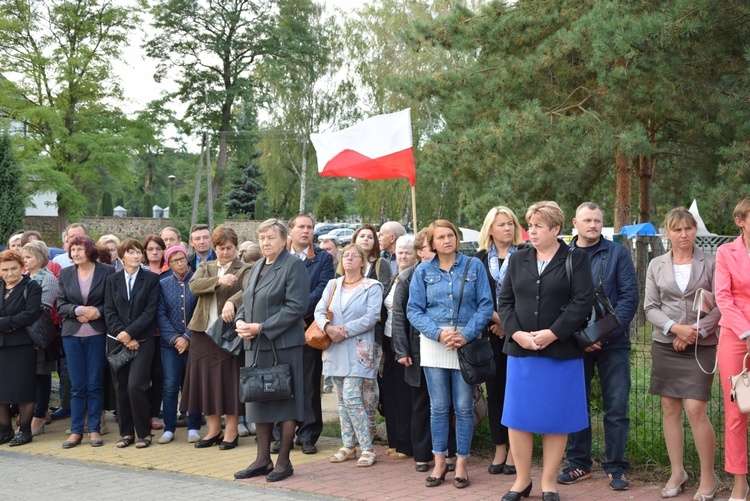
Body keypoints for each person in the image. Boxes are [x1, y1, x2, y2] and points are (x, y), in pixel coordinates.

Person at [498, 201, 594, 501]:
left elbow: (582, 302)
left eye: (538, 225)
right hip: (522, 352)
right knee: (518, 417)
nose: (531, 230)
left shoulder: (575, 258)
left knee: (557, 418)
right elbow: (505, 301)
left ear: (555, 228)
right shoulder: (518, 259)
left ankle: (549, 483)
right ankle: (522, 481)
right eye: (530, 224)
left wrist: (553, 333)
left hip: (560, 353)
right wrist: (517, 334)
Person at [558, 202, 639, 491]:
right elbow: (559, 301)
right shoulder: (564, 255)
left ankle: (616, 467)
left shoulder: (617, 253)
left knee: (616, 406)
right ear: (575, 223)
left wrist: (602, 336)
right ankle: (579, 463)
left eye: (597, 220)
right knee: (575, 405)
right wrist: (580, 336)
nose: (593, 225)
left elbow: (629, 298)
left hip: (613, 344)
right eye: (587, 220)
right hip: (575, 345)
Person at [407, 220, 494, 489]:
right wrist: (439, 334)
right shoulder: (422, 271)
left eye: (451, 235)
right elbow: (414, 310)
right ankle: (440, 461)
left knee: (464, 406)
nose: (447, 240)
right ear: (432, 243)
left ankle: (462, 464)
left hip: (465, 342)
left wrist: (465, 334)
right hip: (436, 344)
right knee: (439, 407)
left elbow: (485, 305)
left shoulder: (473, 266)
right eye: (441, 237)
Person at [645, 207, 721, 500]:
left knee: (695, 409)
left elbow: (721, 304)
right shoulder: (655, 265)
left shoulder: (712, 262)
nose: (683, 234)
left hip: (701, 344)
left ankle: (708, 476)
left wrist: (695, 333)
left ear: (695, 231)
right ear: (668, 233)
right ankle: (678, 472)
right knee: (669, 407)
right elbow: (650, 307)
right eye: (677, 229)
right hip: (666, 343)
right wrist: (675, 329)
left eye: (688, 228)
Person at [233, 219, 310, 482]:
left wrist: (262, 327)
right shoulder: (256, 266)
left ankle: (284, 462)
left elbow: (297, 306)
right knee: (260, 401)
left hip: (284, 345)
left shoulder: (293, 265)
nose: (265, 243)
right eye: (262, 238)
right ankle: (262, 459)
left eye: (271, 238)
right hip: (255, 345)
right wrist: (240, 321)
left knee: (286, 403)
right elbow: (247, 299)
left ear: (284, 239)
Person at [269, 215, 333, 455]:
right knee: (280, 382)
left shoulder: (323, 258)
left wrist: (296, 311)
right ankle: (279, 436)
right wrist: (285, 316)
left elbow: (322, 289)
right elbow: (273, 288)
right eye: (301, 227)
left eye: (310, 227)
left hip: (307, 329)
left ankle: (307, 435)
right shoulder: (278, 256)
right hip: (280, 330)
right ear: (291, 231)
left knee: (308, 384)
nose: (306, 231)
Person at [393, 229, 456, 472]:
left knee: (447, 402)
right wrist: (401, 349)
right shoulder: (408, 277)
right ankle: (422, 454)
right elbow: (399, 315)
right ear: (421, 252)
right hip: (418, 350)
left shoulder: (450, 273)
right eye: (432, 246)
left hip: (447, 346)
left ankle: (448, 452)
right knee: (421, 404)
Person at [182, 226, 250, 450]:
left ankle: (231, 431)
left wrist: (232, 301)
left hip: (229, 334)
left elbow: (250, 291)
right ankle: (213, 429)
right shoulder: (205, 266)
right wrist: (218, 282)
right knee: (206, 382)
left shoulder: (245, 268)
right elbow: (193, 286)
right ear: (215, 248)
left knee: (229, 382)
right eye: (220, 248)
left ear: (236, 248)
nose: (225, 253)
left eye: (229, 248)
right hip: (202, 332)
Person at [315, 243, 383, 468]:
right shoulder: (333, 284)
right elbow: (319, 310)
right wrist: (327, 327)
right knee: (343, 401)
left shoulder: (371, 286)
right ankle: (348, 445)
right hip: (334, 348)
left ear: (363, 262)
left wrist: (342, 330)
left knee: (354, 399)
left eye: (355, 256)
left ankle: (367, 448)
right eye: (346, 256)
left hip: (357, 348)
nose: (349, 259)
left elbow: (372, 317)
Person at [475, 206, 525, 476]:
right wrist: (497, 321)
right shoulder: (480, 259)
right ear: (490, 229)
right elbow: (476, 297)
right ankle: (500, 448)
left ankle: (518, 452)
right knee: (495, 393)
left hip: (518, 336)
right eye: (501, 224)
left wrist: (510, 325)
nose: (507, 228)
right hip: (491, 335)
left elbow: (531, 296)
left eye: (510, 224)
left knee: (516, 394)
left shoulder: (526, 255)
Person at [57, 235, 115, 448]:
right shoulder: (65, 273)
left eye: (80, 249)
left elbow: (111, 303)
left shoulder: (106, 272)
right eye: (72, 250)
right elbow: (61, 305)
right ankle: (75, 430)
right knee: (77, 385)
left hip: (97, 334)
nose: (76, 253)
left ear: (90, 250)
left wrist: (95, 312)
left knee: (94, 383)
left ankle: (94, 430)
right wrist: (79, 310)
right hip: (72, 335)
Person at [104, 238, 160, 449]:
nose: (136, 256)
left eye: (139, 252)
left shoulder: (151, 279)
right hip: (118, 342)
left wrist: (131, 333)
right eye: (131, 252)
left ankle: (144, 433)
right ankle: (126, 433)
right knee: (120, 388)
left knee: (136, 386)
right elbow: (108, 310)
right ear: (122, 256)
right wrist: (123, 335)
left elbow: (149, 312)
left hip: (143, 341)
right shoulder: (112, 280)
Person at [716, 198, 750, 501]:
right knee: (737, 411)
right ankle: (740, 483)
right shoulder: (726, 252)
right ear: (740, 220)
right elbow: (723, 297)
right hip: (735, 339)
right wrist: (747, 332)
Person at [155, 246, 201, 444]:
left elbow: (202, 310)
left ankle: (194, 426)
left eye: (182, 259)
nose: (180, 263)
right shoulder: (163, 284)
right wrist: (175, 338)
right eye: (175, 260)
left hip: (195, 341)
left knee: (192, 384)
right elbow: (160, 314)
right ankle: (169, 427)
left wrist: (188, 336)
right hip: (170, 344)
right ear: (169, 264)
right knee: (170, 385)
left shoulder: (198, 280)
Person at [351, 224, 391, 435]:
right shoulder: (345, 264)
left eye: (370, 237)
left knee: (369, 380)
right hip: (346, 335)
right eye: (361, 236)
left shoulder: (380, 265)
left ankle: (369, 426)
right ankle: (353, 428)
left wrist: (357, 305)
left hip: (372, 334)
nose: (366, 239)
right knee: (351, 383)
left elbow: (381, 295)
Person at [0, 250, 43, 446]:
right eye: (5, 270)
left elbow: (30, 314)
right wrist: (10, 323)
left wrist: (4, 322)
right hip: (1, 345)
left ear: (22, 267)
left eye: (14, 268)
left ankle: (25, 431)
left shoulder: (31, 286)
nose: (10, 273)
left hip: (22, 345)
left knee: (23, 388)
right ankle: (4, 430)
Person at [381, 234, 418, 460]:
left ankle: (406, 444)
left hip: (406, 342)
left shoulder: (415, 277)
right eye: (400, 252)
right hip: (389, 340)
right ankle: (394, 440)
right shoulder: (396, 276)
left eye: (408, 252)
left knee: (406, 395)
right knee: (390, 392)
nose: (403, 256)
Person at [21, 241, 58, 436]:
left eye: (28, 257)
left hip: (38, 334)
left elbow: (43, 308)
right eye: (23, 257)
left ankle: (39, 418)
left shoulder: (48, 278)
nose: (24, 261)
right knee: (27, 377)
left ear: (41, 258)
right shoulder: (23, 277)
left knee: (41, 376)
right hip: (21, 335)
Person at [142, 234, 166, 431]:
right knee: (142, 374)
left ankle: (154, 413)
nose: (155, 252)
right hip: (142, 332)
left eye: (158, 248)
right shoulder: (139, 271)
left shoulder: (169, 270)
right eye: (150, 249)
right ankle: (141, 412)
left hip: (163, 333)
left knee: (158, 374)